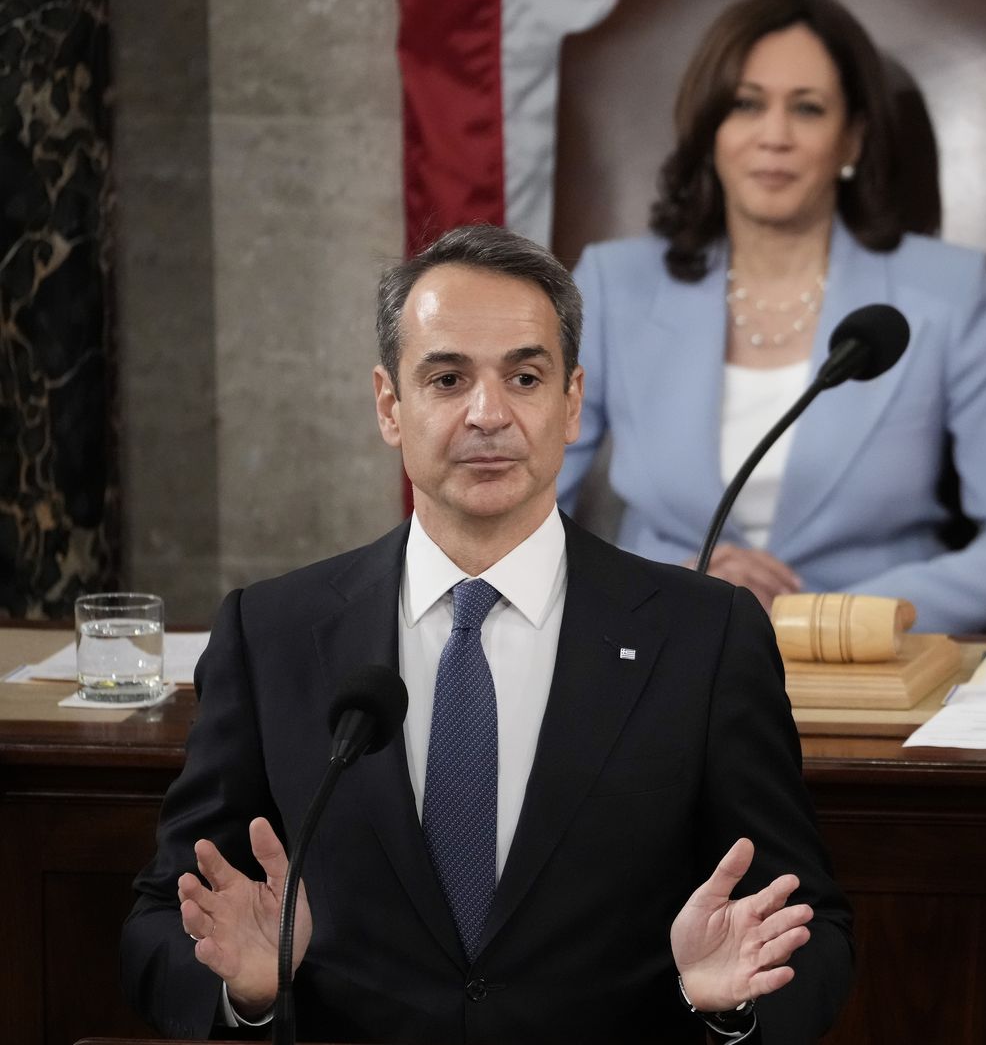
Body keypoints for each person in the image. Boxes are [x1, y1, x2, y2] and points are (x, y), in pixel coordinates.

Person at [121, 225, 852, 1043]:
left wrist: (730, 1007)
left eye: (525, 377)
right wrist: (246, 995)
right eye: (447, 379)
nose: (488, 414)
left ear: (571, 402)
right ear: (389, 406)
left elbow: (809, 925)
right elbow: (162, 920)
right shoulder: (273, 633)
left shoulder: (706, 637)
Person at [556, 0, 986, 635]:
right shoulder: (615, 285)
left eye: (807, 109)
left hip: (861, 662)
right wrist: (663, 588)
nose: (774, 136)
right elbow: (518, 515)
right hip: (664, 650)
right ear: (711, 128)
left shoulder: (947, 293)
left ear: (851, 139)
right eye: (746, 104)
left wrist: (829, 616)